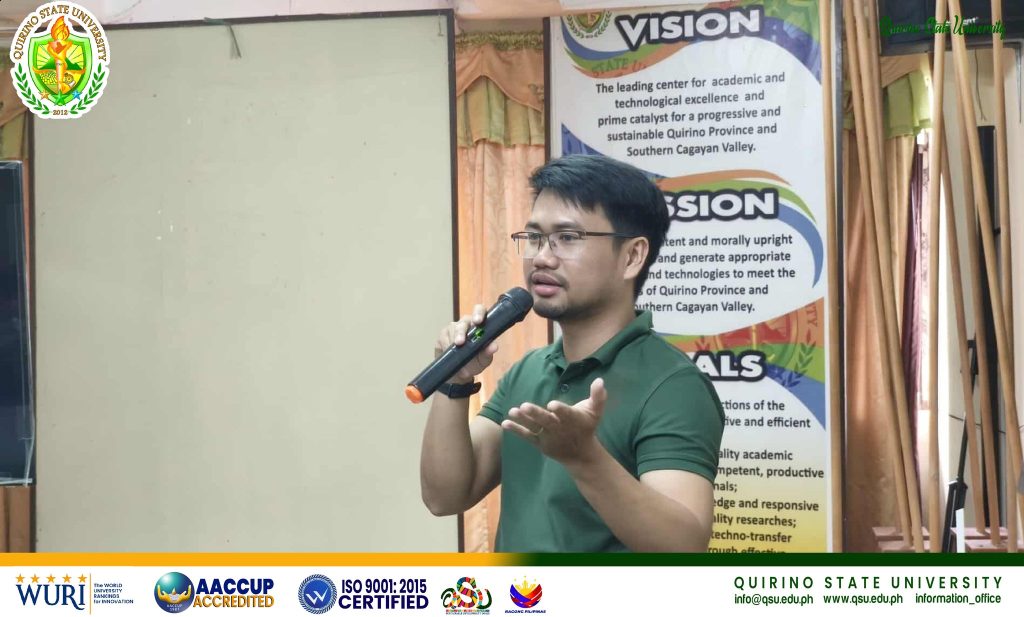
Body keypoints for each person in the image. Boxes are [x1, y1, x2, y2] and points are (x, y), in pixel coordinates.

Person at [420, 154, 724, 552]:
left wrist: (584, 458)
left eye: (568, 237)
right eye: (534, 237)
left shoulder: (673, 385)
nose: (542, 257)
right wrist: (455, 382)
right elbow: (444, 497)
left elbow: (682, 548)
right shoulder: (528, 370)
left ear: (632, 256)